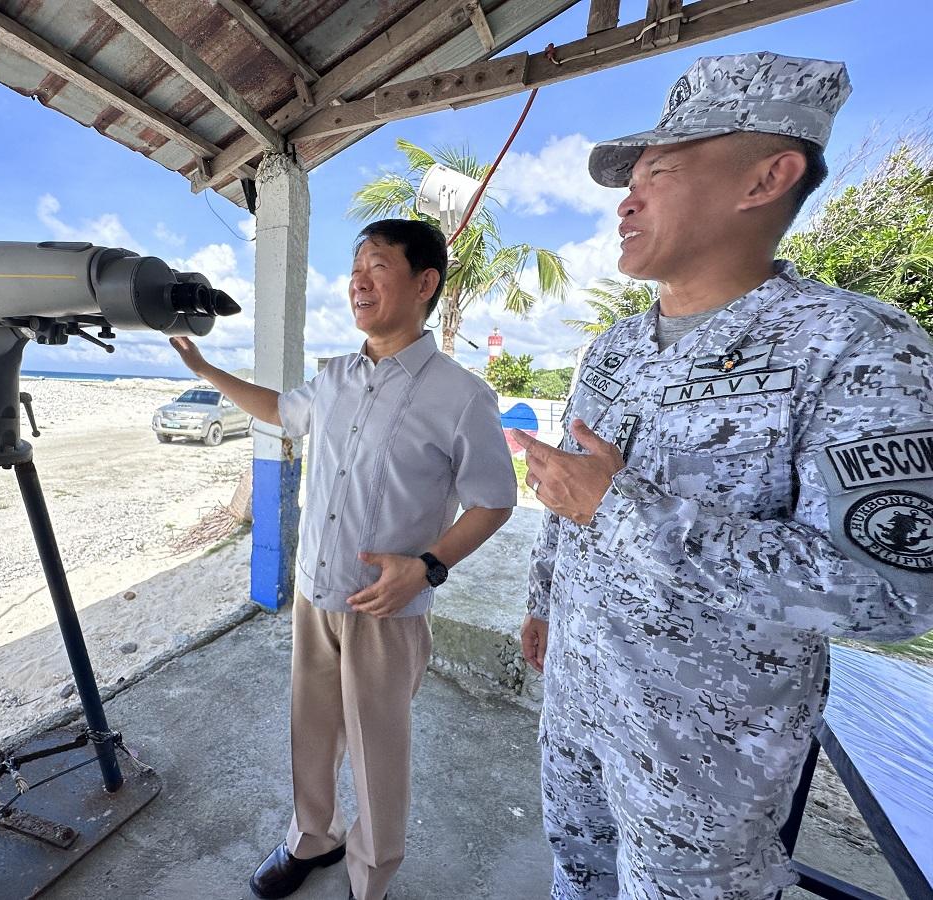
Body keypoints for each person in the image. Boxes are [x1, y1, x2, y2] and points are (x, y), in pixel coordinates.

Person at [512, 51, 933, 899]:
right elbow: (568, 497)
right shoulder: (616, 347)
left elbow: (894, 594)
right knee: (576, 874)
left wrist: (622, 510)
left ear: (767, 179)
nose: (627, 198)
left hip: (707, 765)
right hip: (579, 711)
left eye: (658, 172)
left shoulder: (857, 348)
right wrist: (544, 603)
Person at [170, 218, 516, 900]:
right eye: (355, 264)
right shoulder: (333, 379)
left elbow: (493, 501)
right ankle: (312, 839)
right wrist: (208, 372)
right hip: (314, 595)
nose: (359, 278)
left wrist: (427, 565)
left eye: (378, 264)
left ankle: (371, 876)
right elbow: (277, 409)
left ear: (425, 283)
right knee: (312, 731)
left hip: (385, 610)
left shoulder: (462, 395)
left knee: (377, 755)